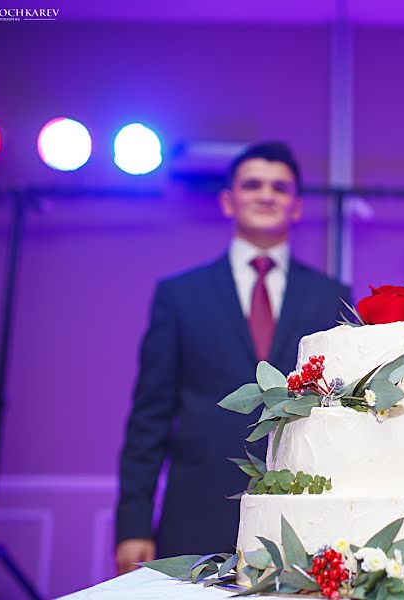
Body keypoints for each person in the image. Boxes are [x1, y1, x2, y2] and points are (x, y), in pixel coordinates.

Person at [115, 142, 350, 573]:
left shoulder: (331, 296)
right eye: (253, 185)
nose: (266, 195)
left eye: (280, 187)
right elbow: (150, 416)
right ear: (228, 201)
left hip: (300, 511)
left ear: (296, 207)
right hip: (195, 510)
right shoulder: (180, 296)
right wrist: (133, 524)